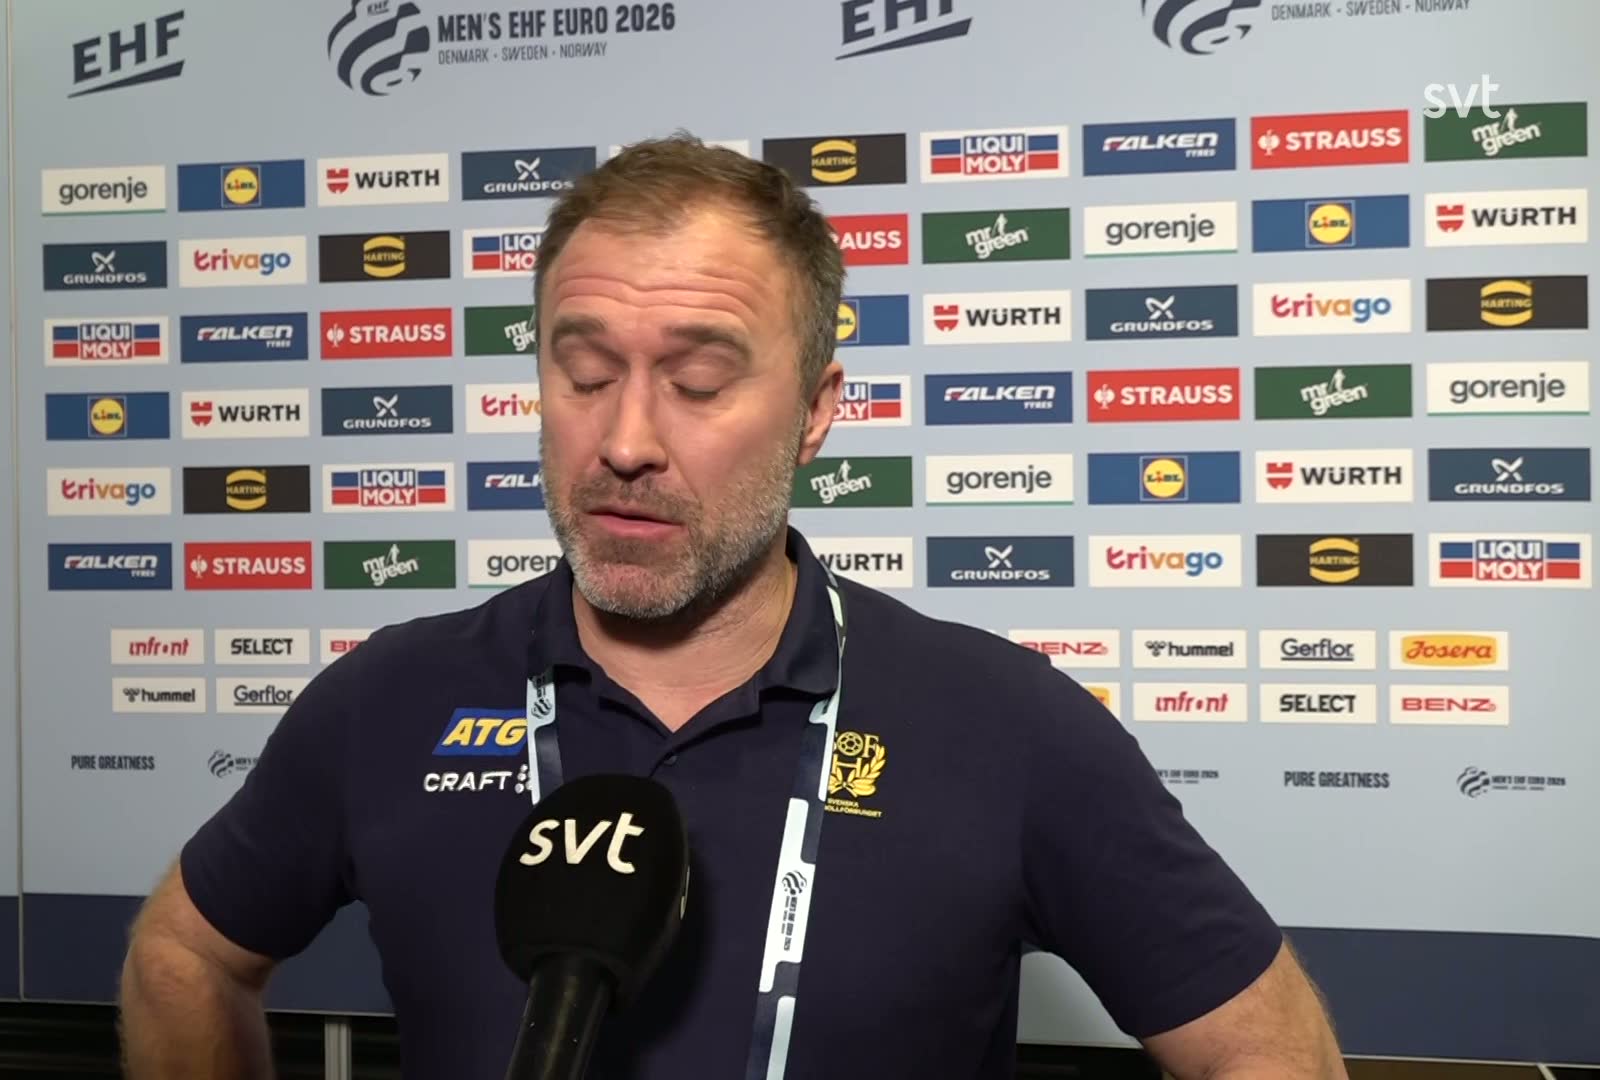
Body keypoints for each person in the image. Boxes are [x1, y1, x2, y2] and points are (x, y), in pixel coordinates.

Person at [118, 133, 1347, 1079]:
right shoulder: (387, 701)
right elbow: (184, 954)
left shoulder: (1008, 728)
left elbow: (1266, 1049)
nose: (626, 440)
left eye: (699, 382)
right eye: (583, 371)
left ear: (815, 411)